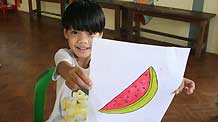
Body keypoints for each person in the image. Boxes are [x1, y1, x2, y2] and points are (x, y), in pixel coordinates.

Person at [47, 0, 195, 121]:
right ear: (66, 33)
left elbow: (139, 72)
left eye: (91, 34)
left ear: (101, 35)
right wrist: (69, 72)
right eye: (75, 32)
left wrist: (175, 79)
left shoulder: (108, 61)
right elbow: (62, 65)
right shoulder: (64, 55)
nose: (83, 41)